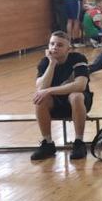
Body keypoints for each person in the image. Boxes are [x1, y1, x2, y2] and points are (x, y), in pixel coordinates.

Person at [30, 31, 93, 161]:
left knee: (76, 96)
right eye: (52, 44)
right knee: (40, 98)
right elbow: (41, 88)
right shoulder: (45, 62)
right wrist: (52, 63)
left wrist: (49, 91)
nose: (54, 47)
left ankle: (79, 142)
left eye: (59, 45)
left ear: (68, 49)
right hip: (56, 104)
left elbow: (80, 85)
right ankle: (47, 143)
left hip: (79, 103)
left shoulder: (78, 58)